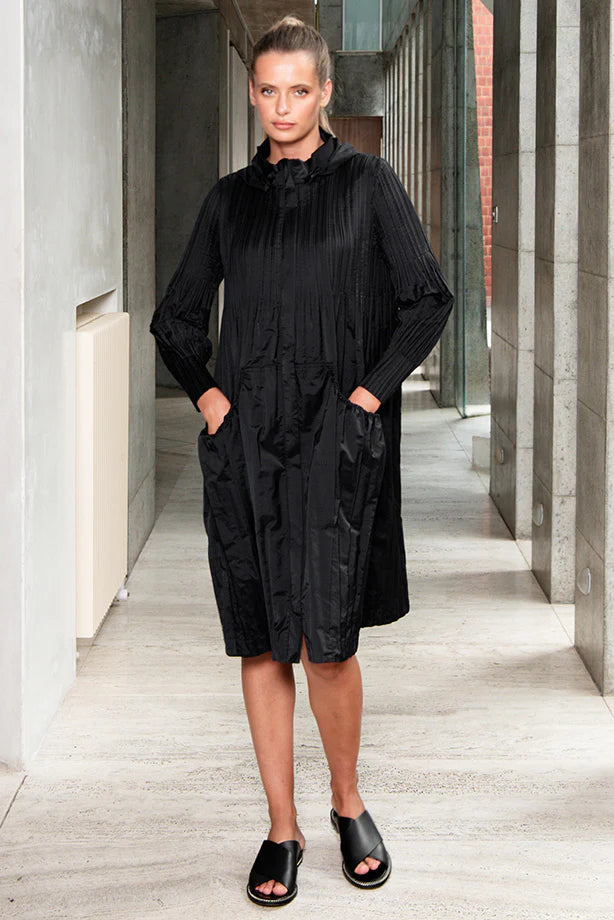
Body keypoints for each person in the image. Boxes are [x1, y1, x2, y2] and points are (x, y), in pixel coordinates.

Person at [150, 14, 454, 908]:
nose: (282, 106)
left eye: (299, 90)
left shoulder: (368, 184)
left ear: (325, 93)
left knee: (326, 642)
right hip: (248, 448)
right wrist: (210, 398)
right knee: (259, 637)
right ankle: (280, 828)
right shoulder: (227, 202)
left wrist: (367, 397)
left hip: (334, 445)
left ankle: (347, 803)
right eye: (268, 90)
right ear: (253, 94)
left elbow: (427, 298)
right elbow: (176, 320)